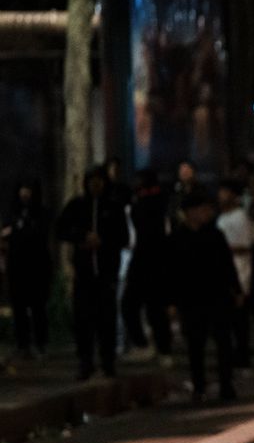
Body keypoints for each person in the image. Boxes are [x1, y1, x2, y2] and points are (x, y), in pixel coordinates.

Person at [57, 166, 129, 379]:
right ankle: (85, 360)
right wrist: (80, 237)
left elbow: (123, 237)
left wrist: (103, 241)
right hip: (84, 273)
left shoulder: (114, 207)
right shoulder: (77, 206)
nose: (95, 185)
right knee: (83, 319)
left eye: (99, 180)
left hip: (106, 273)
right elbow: (61, 229)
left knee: (106, 318)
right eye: (92, 180)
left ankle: (108, 361)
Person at [170, 190, 241, 403]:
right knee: (195, 344)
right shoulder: (178, 238)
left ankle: (226, 384)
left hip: (217, 295)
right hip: (191, 298)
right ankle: (199, 386)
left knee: (223, 341)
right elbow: (172, 271)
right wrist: (172, 301)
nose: (205, 213)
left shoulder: (214, 234)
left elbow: (227, 264)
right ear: (190, 212)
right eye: (200, 209)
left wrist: (236, 289)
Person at [121, 169, 173, 362]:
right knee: (149, 307)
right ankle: (158, 347)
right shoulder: (151, 202)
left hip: (150, 259)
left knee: (149, 307)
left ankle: (156, 346)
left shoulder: (150, 203)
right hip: (150, 259)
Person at [2, 180, 52, 358]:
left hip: (37, 266)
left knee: (38, 307)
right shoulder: (13, 212)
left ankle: (40, 343)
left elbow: (38, 233)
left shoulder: (42, 212)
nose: (25, 193)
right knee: (19, 307)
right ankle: (23, 344)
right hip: (17, 266)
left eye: (28, 189)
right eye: (23, 189)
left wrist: (15, 230)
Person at [216, 179, 254, 368]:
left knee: (240, 321)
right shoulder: (221, 218)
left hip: (240, 273)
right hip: (225, 276)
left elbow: (246, 247)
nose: (221, 196)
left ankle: (242, 357)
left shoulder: (240, 217)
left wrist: (222, 250)